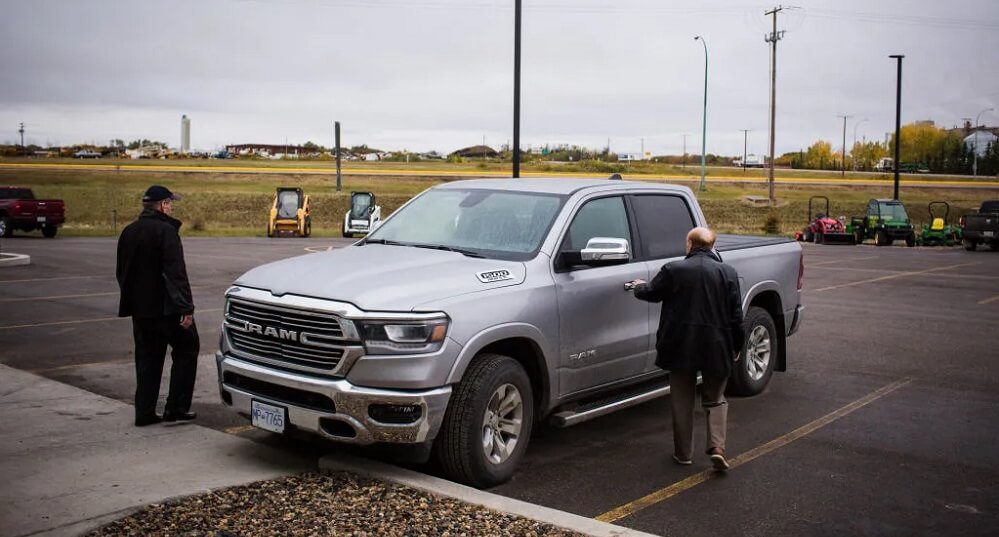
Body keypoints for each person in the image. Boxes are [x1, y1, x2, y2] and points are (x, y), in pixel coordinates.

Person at [629, 227, 744, 471]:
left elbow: (651, 293)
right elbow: (736, 317)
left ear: (689, 244)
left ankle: (683, 454)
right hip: (717, 345)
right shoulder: (728, 273)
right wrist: (737, 346)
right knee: (715, 399)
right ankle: (717, 448)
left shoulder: (674, 269)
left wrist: (638, 286)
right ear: (712, 246)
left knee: (682, 401)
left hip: (680, 345)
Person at [116, 185, 200, 426]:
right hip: (167, 309)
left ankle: (144, 412)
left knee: (147, 359)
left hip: (141, 311)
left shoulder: (128, 232)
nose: (171, 207)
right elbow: (175, 274)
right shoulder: (166, 231)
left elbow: (121, 272)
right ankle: (177, 407)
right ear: (162, 205)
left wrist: (133, 300)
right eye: (170, 203)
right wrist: (186, 308)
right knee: (187, 348)